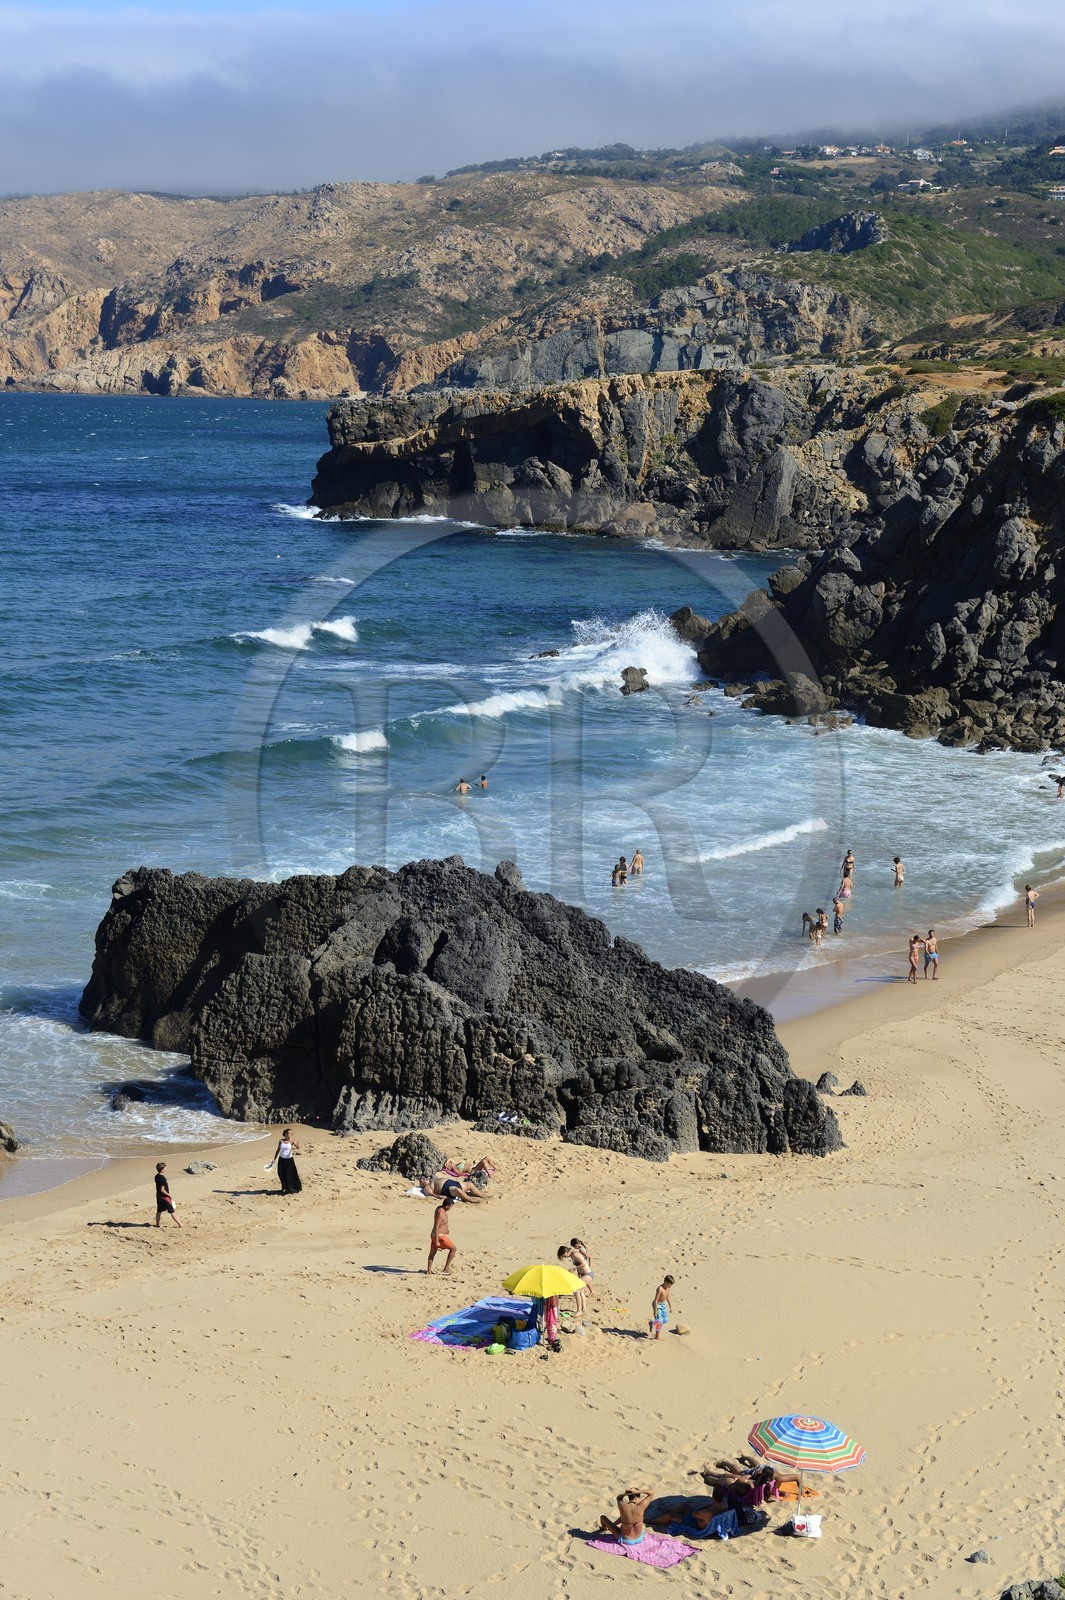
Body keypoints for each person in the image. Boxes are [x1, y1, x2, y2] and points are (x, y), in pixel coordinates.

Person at [426, 1197, 457, 1274]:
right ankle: (446, 1268)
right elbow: (436, 1227)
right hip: (439, 1236)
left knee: (432, 1253)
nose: (451, 1208)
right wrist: (437, 1241)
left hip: (437, 1235)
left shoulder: (441, 1209)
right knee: (453, 1249)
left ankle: (428, 1271)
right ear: (447, 1206)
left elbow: (443, 1223)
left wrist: (446, 1229)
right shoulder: (440, 1213)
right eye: (451, 1206)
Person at [557, 1245, 589, 1315]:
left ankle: (579, 1311)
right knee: (581, 1292)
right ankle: (584, 1310)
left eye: (563, 1255)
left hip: (587, 1274)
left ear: (566, 1252)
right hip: (583, 1274)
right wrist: (579, 1273)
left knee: (576, 1291)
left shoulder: (575, 1254)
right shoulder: (572, 1255)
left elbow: (583, 1264)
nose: (564, 1257)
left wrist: (574, 1268)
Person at [420, 1172, 487, 1202]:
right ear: (422, 1184)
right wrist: (441, 1197)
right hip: (446, 1188)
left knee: (470, 1184)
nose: (424, 1179)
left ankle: (481, 1195)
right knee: (457, 1190)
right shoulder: (426, 1187)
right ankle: (469, 1199)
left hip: (453, 1183)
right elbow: (432, 1195)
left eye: (424, 1178)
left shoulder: (432, 1181)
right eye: (422, 1180)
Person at [273, 1128, 302, 1194]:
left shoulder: (292, 1141)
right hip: (282, 1159)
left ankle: (291, 1187)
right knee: (281, 1174)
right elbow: (278, 1150)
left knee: (290, 1174)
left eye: (292, 1133)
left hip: (289, 1160)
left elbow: (298, 1148)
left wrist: (297, 1144)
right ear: (286, 1134)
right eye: (290, 1133)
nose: (291, 1134)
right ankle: (284, 1187)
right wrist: (274, 1159)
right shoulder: (281, 1141)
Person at [154, 1162, 182, 1228]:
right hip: (164, 1197)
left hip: (158, 1196)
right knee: (172, 1211)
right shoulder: (162, 1178)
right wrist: (169, 1195)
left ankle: (157, 1224)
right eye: (165, 1168)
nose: (165, 1169)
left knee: (159, 1211)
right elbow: (162, 1190)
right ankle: (180, 1224)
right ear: (162, 1169)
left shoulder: (156, 1176)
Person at [649, 1274, 673, 1339]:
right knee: (659, 1321)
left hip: (663, 1304)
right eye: (670, 1284)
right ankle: (657, 1337)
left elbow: (667, 1297)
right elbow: (656, 1301)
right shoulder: (660, 1289)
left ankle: (651, 1323)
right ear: (666, 1282)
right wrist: (655, 1311)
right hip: (657, 1305)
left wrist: (670, 1306)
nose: (670, 1286)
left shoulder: (667, 1288)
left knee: (665, 1319)